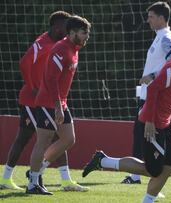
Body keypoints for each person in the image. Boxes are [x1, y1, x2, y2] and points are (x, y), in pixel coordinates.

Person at [82, 37, 171, 203]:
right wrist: (150, 121)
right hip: (154, 123)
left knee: (169, 167)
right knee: (154, 170)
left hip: (165, 122)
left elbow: (169, 98)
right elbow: (152, 88)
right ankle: (103, 161)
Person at [0, 11, 85, 192]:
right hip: (36, 99)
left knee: (63, 138)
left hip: (56, 100)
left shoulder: (68, 47)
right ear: (58, 27)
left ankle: (57, 178)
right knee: (28, 138)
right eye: (65, 26)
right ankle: (14, 178)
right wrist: (33, 86)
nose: (66, 29)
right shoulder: (44, 44)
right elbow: (24, 63)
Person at [25, 15, 91, 195]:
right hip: (49, 102)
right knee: (43, 141)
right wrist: (57, 106)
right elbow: (51, 79)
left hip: (60, 101)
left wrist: (61, 104)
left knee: (69, 139)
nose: (87, 36)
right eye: (83, 33)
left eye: (87, 33)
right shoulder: (60, 49)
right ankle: (32, 184)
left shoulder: (74, 48)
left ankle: (36, 171)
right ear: (71, 33)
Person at [121, 1, 171, 186]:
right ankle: (140, 177)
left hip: (153, 98)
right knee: (141, 135)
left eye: (151, 17)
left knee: (146, 136)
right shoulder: (159, 36)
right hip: (147, 96)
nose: (148, 20)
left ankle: (142, 177)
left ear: (162, 18)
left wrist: (153, 76)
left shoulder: (167, 38)